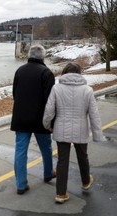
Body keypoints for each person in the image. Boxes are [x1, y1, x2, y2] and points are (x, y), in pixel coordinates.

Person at [43, 63, 103, 204]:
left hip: (61, 128)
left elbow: (49, 110)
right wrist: (97, 134)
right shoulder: (87, 90)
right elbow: (94, 114)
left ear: (64, 72)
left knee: (62, 160)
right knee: (83, 156)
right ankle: (86, 181)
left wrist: (46, 125)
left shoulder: (56, 88)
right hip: (81, 129)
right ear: (79, 73)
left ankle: (61, 194)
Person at [11, 44, 56, 195]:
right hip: (40, 119)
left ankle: (21, 184)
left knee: (20, 151)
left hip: (21, 118)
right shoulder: (46, 73)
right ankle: (48, 173)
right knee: (46, 148)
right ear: (43, 57)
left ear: (29, 55)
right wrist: (51, 121)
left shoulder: (19, 71)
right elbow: (50, 100)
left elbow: (15, 94)